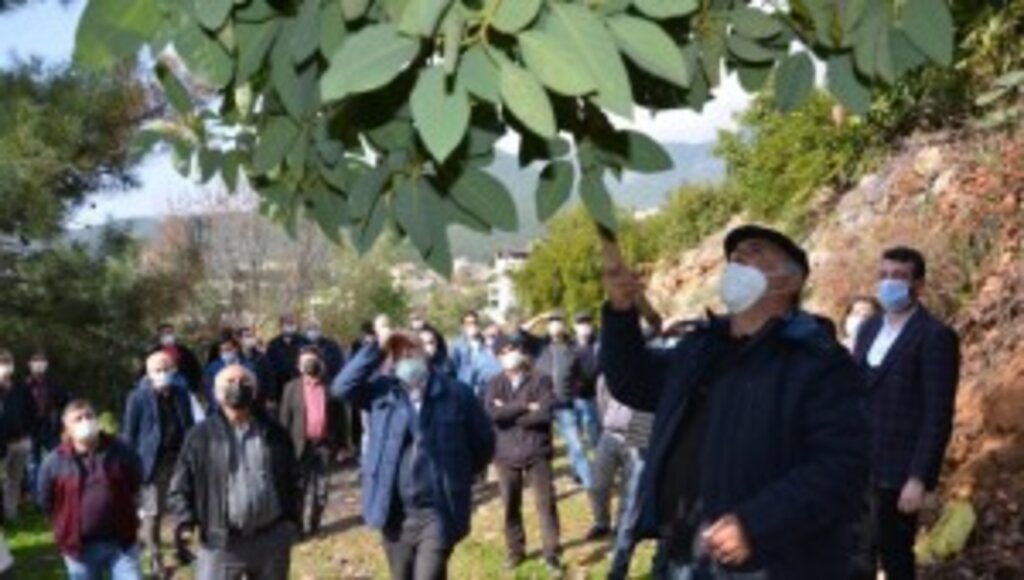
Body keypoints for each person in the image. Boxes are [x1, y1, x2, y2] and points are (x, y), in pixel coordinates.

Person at [600, 224, 869, 578]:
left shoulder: (818, 362)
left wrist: (757, 524)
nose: (738, 257)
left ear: (789, 281)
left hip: (766, 563)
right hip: (680, 553)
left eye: (755, 250)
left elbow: (841, 466)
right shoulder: (700, 349)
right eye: (734, 255)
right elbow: (633, 383)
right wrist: (621, 314)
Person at [332, 332, 495, 580]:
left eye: (411, 352)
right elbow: (341, 388)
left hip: (438, 510)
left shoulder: (456, 394)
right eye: (399, 355)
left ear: (424, 355)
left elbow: (484, 443)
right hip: (394, 512)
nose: (406, 359)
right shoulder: (382, 392)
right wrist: (377, 349)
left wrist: (459, 475)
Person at [853, 247, 960, 580]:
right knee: (856, 556)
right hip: (858, 465)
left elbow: (937, 414)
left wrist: (918, 478)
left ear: (919, 285)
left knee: (896, 558)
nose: (888, 283)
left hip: (898, 473)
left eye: (899, 276)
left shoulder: (935, 337)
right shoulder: (868, 328)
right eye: (883, 275)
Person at [169, 364, 300, 580]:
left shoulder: (275, 433)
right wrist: (185, 522)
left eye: (244, 382)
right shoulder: (200, 437)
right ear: (216, 393)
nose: (238, 387)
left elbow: (294, 478)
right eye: (230, 382)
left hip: (271, 538)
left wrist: (290, 522)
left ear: (255, 391)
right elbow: (180, 487)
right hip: (221, 543)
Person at [37, 399, 143, 580]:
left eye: (89, 416)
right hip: (79, 548)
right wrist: (62, 528)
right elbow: (45, 500)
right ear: (67, 427)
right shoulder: (54, 461)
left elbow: (136, 482)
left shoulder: (121, 450)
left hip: (121, 543)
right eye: (78, 419)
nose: (85, 421)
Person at [485, 335, 562, 575]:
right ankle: (515, 551)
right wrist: (525, 406)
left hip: (537, 450)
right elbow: (493, 415)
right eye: (503, 352)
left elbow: (545, 414)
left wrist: (509, 412)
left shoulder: (541, 379)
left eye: (512, 349)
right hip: (505, 454)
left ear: (520, 350)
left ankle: (551, 554)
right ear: (497, 357)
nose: (508, 354)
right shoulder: (494, 383)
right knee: (511, 505)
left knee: (546, 504)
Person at [122, 351, 195, 575]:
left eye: (166, 369)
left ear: (173, 370)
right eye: (158, 370)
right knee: (152, 513)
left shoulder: (181, 393)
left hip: (179, 459)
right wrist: (129, 465)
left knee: (181, 508)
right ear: (149, 373)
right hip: (151, 463)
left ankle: (181, 549)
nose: (163, 374)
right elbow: (129, 434)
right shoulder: (137, 397)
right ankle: (155, 558)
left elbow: (189, 425)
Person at [522, 310, 594, 491]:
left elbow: (580, 376)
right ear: (548, 326)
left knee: (577, 445)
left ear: (564, 326)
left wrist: (573, 394)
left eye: (559, 321)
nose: (555, 324)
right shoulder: (538, 345)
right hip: (540, 405)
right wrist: (540, 317)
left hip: (564, 406)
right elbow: (519, 333)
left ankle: (591, 485)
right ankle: (543, 486)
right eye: (552, 322)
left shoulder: (571, 348)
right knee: (539, 450)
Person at [278, 346, 339, 536]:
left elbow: (339, 418)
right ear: (299, 365)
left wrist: (343, 444)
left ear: (320, 363)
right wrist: (283, 449)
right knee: (299, 490)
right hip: (300, 446)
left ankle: (315, 526)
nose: (309, 364)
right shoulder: (291, 388)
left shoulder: (330, 387)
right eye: (305, 361)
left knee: (321, 490)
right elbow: (284, 420)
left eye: (313, 360)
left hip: (323, 446)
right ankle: (298, 529)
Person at [587, 376, 637, 542]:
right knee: (598, 483)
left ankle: (622, 524)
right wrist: (609, 422)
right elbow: (602, 404)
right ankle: (601, 522)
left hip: (637, 433)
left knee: (629, 486)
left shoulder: (645, 373)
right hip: (609, 433)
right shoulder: (605, 377)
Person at [0, 349, 36, 523]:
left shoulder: (21, 388)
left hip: (20, 442)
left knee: (14, 480)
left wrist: (28, 434)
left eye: (8, 363)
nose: (5, 366)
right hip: (1, 443)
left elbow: (31, 411)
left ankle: (11, 514)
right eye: (2, 363)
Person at [24, 351, 69, 491]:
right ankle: (37, 495)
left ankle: (57, 490)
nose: (39, 365)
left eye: (42, 362)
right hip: (30, 429)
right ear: (30, 365)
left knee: (58, 458)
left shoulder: (54, 384)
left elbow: (65, 403)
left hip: (50, 427)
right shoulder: (24, 385)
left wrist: (63, 424)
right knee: (33, 463)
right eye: (36, 362)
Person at [449, 310, 501, 398]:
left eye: (475, 322)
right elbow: (454, 367)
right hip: (465, 385)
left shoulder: (486, 342)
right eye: (468, 323)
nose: (472, 325)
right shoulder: (457, 345)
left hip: (484, 386)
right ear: (463, 325)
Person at [571, 312, 602, 448]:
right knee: (576, 431)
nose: (585, 326)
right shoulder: (568, 344)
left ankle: (597, 451)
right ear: (575, 327)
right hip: (574, 396)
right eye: (581, 323)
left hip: (596, 394)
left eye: (587, 322)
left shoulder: (599, 341)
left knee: (593, 426)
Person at [266, 314, 309, 408]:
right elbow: (269, 370)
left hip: (300, 386)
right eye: (287, 323)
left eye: (292, 323)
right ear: (281, 326)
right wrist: (271, 394)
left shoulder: (304, 342)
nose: (290, 326)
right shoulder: (273, 344)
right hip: (279, 388)